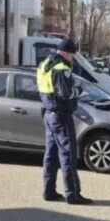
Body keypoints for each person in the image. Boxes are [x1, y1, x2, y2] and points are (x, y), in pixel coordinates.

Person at [37, 39, 92, 205]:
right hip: (61, 116)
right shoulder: (61, 68)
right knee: (68, 155)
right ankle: (73, 194)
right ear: (66, 53)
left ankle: (49, 191)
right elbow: (66, 93)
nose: (73, 59)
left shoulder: (44, 64)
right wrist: (80, 90)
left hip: (48, 114)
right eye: (72, 56)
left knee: (51, 155)